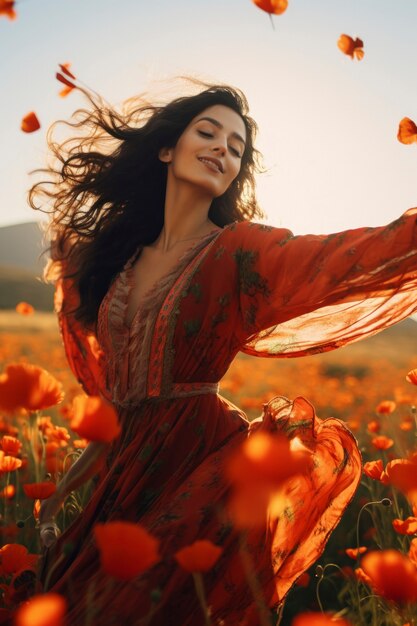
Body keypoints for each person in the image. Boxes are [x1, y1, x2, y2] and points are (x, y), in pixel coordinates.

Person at [30, 77, 417, 625]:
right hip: (122, 477)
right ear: (167, 148)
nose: (222, 149)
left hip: (202, 468)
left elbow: (348, 255)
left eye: (236, 148)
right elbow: (110, 385)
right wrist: (77, 473)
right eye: (208, 132)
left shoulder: (240, 251)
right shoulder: (115, 263)